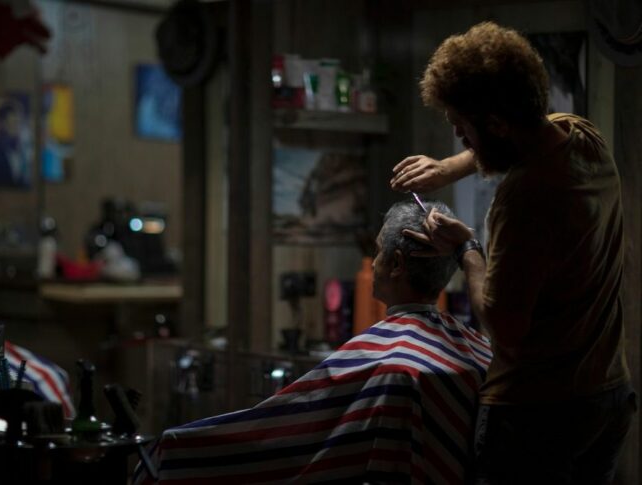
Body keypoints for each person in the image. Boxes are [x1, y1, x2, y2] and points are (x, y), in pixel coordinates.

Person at [391, 21, 635, 484]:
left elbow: (504, 327)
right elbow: (517, 139)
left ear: (498, 125)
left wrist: (466, 248)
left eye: (462, 127)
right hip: (607, 397)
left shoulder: (525, 198)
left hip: (538, 415)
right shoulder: (583, 137)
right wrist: (446, 169)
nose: (459, 137)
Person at [135, 201, 491, 485]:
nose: (373, 262)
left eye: (378, 252)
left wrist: (176, 447)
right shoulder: (480, 350)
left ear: (396, 264)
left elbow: (276, 434)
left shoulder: (388, 364)